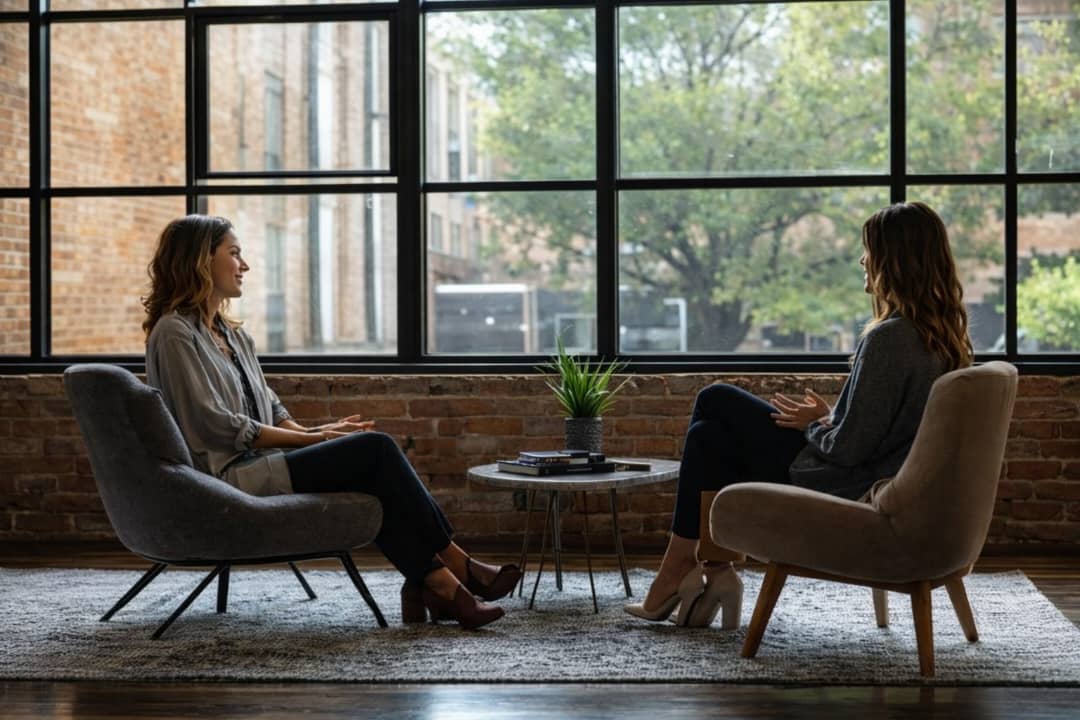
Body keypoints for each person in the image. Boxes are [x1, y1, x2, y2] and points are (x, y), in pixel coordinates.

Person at [142, 214, 521, 630]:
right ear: (199, 260)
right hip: (228, 477)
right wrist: (314, 441)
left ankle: (438, 582)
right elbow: (210, 424)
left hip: (261, 462)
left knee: (371, 463)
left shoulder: (233, 336)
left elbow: (268, 403)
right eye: (234, 254)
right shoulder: (174, 334)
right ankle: (453, 569)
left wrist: (310, 434)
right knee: (375, 451)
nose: (244, 265)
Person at [625, 201, 974, 628]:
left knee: (715, 399)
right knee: (708, 438)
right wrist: (831, 415)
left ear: (894, 260)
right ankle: (711, 572)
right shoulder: (942, 337)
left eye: (869, 250)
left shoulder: (890, 339)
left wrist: (814, 425)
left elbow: (849, 450)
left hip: (842, 481)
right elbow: (884, 430)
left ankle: (689, 569)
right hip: (867, 474)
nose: (862, 260)